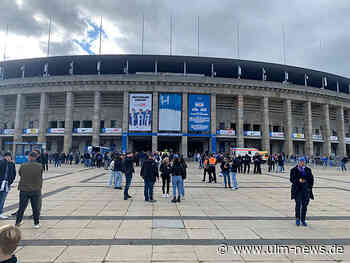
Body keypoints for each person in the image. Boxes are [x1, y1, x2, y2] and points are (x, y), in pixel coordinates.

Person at [16, 151, 43, 228]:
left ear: (29, 157)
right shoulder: (39, 166)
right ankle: (36, 223)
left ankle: (18, 222)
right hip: (35, 189)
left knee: (21, 207)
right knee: (35, 207)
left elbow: (20, 173)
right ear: (36, 157)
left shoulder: (23, 165)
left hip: (24, 189)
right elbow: (40, 174)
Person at [290, 157, 314, 227]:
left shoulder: (308, 170)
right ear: (298, 162)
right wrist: (298, 180)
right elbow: (291, 179)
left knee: (304, 205)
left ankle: (303, 219)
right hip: (297, 190)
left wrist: (309, 186)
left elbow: (311, 179)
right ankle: (297, 218)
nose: (302, 163)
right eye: (300, 161)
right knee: (298, 204)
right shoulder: (293, 170)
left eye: (303, 162)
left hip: (306, 190)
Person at [0, 153, 16, 219]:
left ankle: (0, 212)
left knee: (3, 199)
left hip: (6, 184)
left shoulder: (12, 164)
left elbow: (13, 174)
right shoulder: (1, 163)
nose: (9, 158)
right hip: (1, 182)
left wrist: (10, 182)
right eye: (8, 157)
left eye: (10, 157)